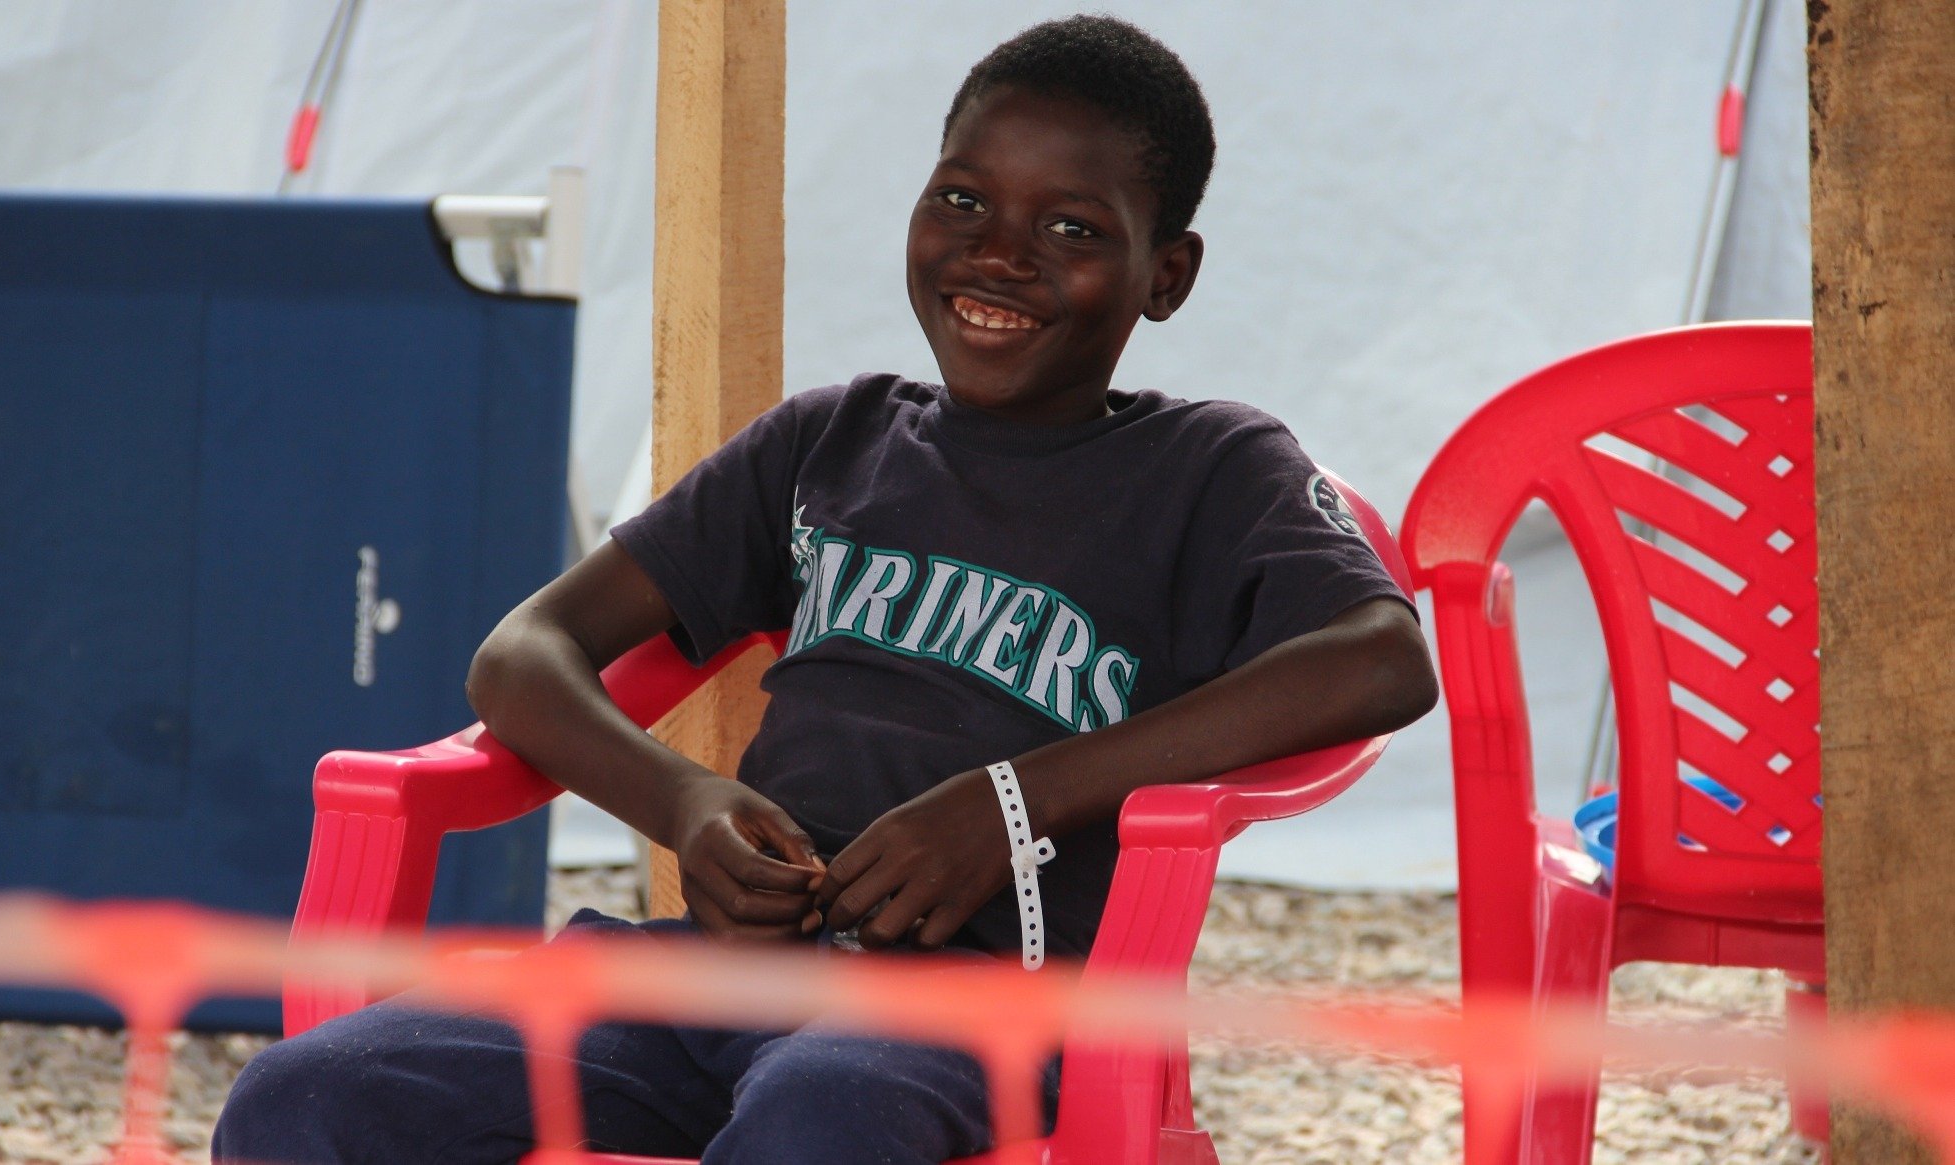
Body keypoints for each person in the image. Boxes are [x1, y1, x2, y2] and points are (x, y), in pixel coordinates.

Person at [213, 14, 1437, 1165]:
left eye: (1071, 228)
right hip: (713, 970)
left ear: (1165, 274)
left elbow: (1380, 659)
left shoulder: (1209, 468)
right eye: (961, 199)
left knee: (817, 1114)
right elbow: (522, 656)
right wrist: (685, 804)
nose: (998, 252)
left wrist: (1008, 806)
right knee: (301, 1098)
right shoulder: (828, 440)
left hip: (977, 1008)